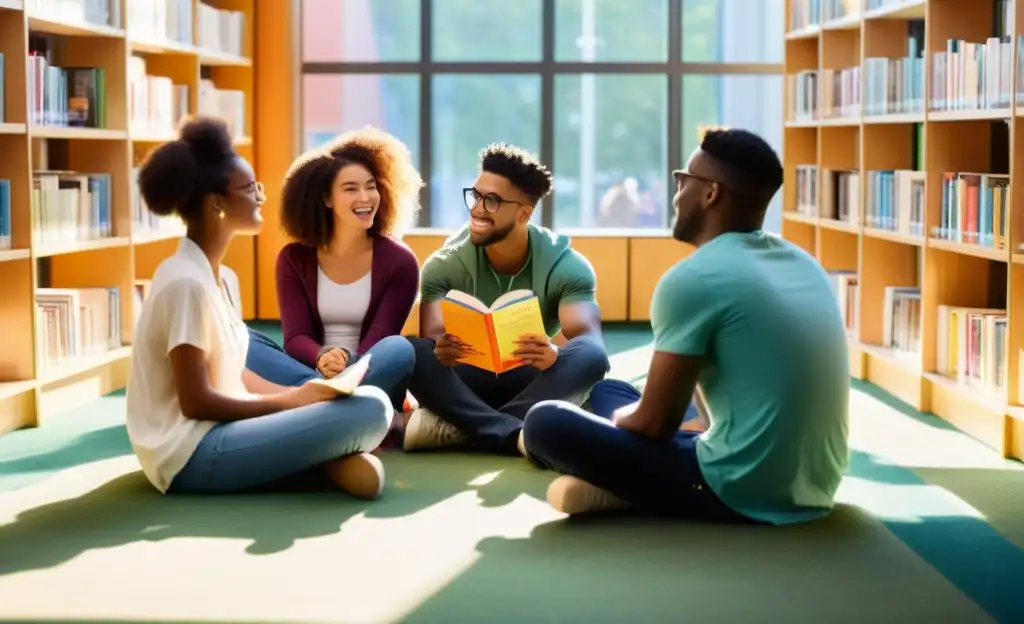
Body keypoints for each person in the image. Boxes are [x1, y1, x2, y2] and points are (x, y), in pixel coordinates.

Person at [522, 128, 851, 524]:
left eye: (683, 180)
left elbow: (653, 425)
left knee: (545, 422)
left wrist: (613, 431)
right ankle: (627, 478)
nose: (676, 194)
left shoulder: (694, 279)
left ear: (711, 193)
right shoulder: (803, 263)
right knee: (610, 389)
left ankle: (622, 488)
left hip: (737, 487)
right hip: (816, 485)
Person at [126, 118, 394, 498]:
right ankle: (324, 456)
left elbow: (235, 375)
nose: (261, 196)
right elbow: (197, 400)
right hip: (188, 454)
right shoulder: (185, 283)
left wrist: (303, 397)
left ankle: (321, 457)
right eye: (251, 188)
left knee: (355, 401)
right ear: (217, 202)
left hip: (221, 433)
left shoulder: (223, 278)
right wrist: (292, 401)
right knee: (373, 408)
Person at [403, 143, 611, 456]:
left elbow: (587, 339)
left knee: (592, 354)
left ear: (524, 213)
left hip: (532, 377)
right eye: (476, 196)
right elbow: (432, 338)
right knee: (413, 353)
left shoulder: (566, 265)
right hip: (466, 379)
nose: (477, 209)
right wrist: (443, 351)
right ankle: (517, 432)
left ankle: (461, 429)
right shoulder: (443, 264)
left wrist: (554, 354)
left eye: (493, 201)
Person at [244, 127, 421, 421]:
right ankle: (330, 410)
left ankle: (311, 412)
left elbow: (380, 339)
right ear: (326, 198)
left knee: (400, 348)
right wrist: (321, 357)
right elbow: (296, 337)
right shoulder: (293, 258)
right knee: (240, 338)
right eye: (351, 188)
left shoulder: (400, 261)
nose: (366, 197)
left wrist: (346, 365)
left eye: (371, 186)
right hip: (309, 374)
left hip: (368, 374)